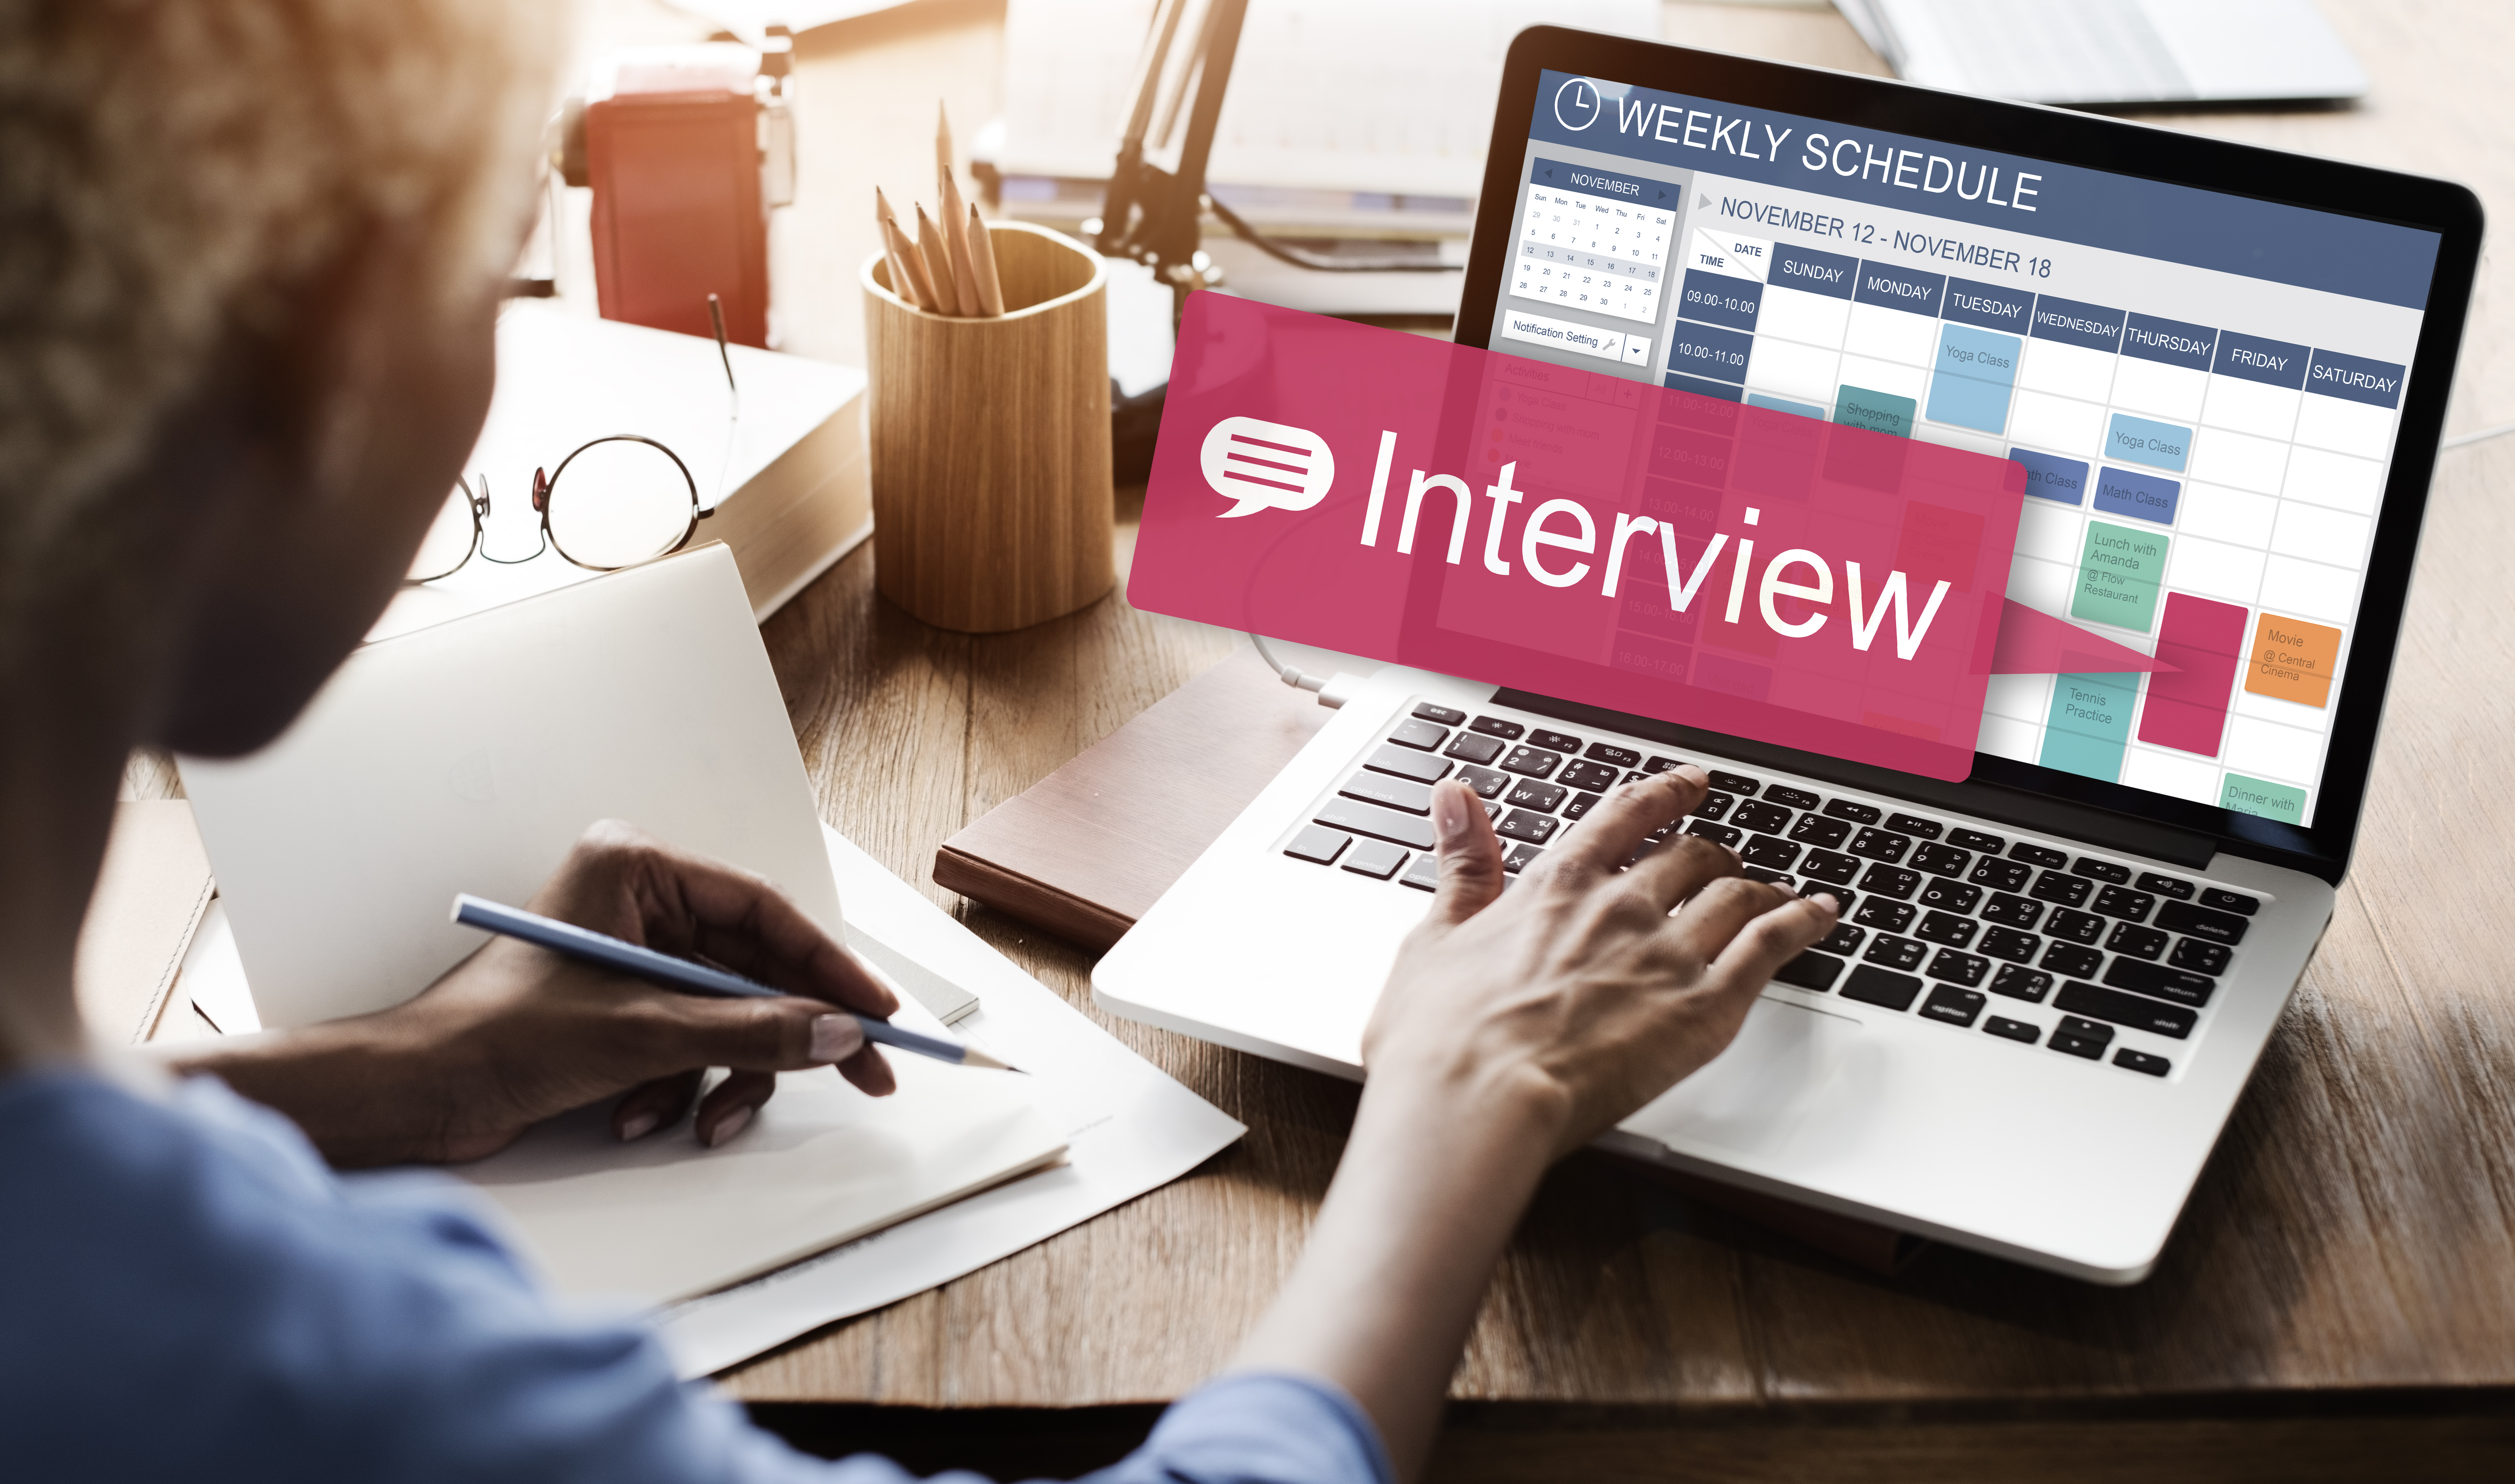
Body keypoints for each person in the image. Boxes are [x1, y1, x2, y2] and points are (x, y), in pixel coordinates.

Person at [0, 4, 1839, 1480]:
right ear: (309, 372)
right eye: (492, 277)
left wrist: (395, 1070)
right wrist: (1462, 1097)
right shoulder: (322, 1374)